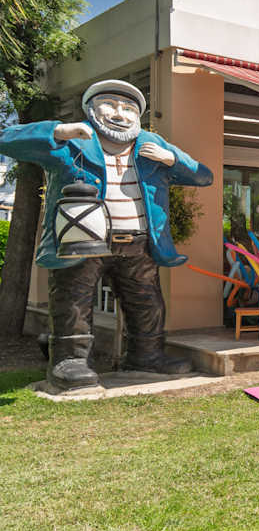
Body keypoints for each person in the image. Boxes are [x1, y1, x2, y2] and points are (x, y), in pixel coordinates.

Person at [0, 79, 212, 393]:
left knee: (147, 302)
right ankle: (69, 361)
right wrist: (58, 132)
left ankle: (146, 356)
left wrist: (171, 160)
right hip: (82, 240)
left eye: (128, 108)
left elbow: (203, 175)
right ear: (91, 109)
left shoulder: (152, 144)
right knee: (73, 300)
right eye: (110, 105)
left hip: (138, 243)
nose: (119, 114)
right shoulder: (73, 140)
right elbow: (6, 140)